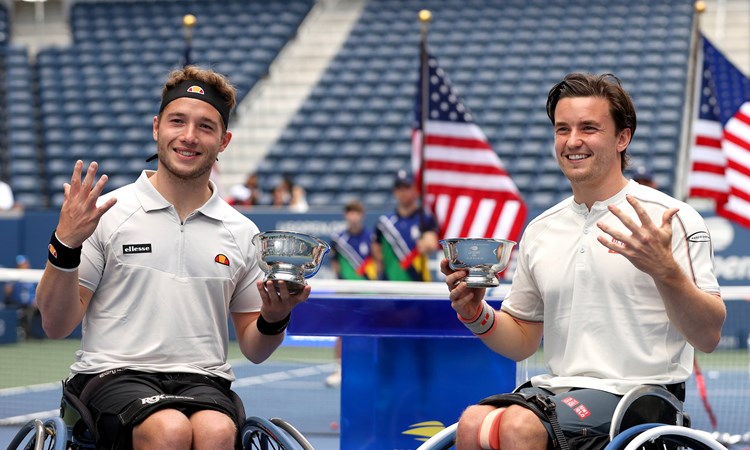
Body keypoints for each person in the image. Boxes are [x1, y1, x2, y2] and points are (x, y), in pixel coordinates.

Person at [441, 73, 725, 450]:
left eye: (589, 128)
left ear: (622, 138)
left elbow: (708, 335)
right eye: (563, 129)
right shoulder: (542, 228)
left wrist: (665, 270)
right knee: (472, 423)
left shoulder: (671, 217)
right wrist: (475, 313)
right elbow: (524, 340)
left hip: (641, 398)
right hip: (557, 391)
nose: (573, 141)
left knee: (518, 428)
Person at [35, 66, 311, 450]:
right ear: (156, 127)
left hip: (203, 381)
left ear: (224, 140)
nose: (188, 136)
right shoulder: (105, 213)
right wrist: (64, 244)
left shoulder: (242, 232)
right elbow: (55, 324)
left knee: (216, 433)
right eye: (177, 121)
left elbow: (255, 348)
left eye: (205, 126)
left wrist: (275, 316)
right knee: (169, 430)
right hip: (112, 375)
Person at [326, 199, 376, 387]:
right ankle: (339, 367)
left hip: (369, 293)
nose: (353, 216)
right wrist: (341, 287)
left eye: (356, 212)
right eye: (350, 212)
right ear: (346, 215)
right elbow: (336, 265)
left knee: (370, 331)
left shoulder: (371, 238)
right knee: (342, 330)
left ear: (361, 215)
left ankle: (369, 367)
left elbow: (377, 262)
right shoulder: (338, 239)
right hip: (347, 293)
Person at [372, 169, 440, 281]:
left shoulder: (424, 218)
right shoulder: (384, 223)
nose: (402, 192)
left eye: (407, 187)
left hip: (418, 282)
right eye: (399, 188)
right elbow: (377, 251)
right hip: (391, 284)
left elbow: (431, 243)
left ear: (415, 190)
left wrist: (426, 244)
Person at [4, 254, 39, 339]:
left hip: (31, 304)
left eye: (24, 263)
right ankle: (25, 332)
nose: (23, 265)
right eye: (21, 264)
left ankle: (33, 332)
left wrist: (35, 300)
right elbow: (7, 292)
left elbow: (36, 292)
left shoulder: (32, 276)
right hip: (17, 304)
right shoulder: (13, 276)